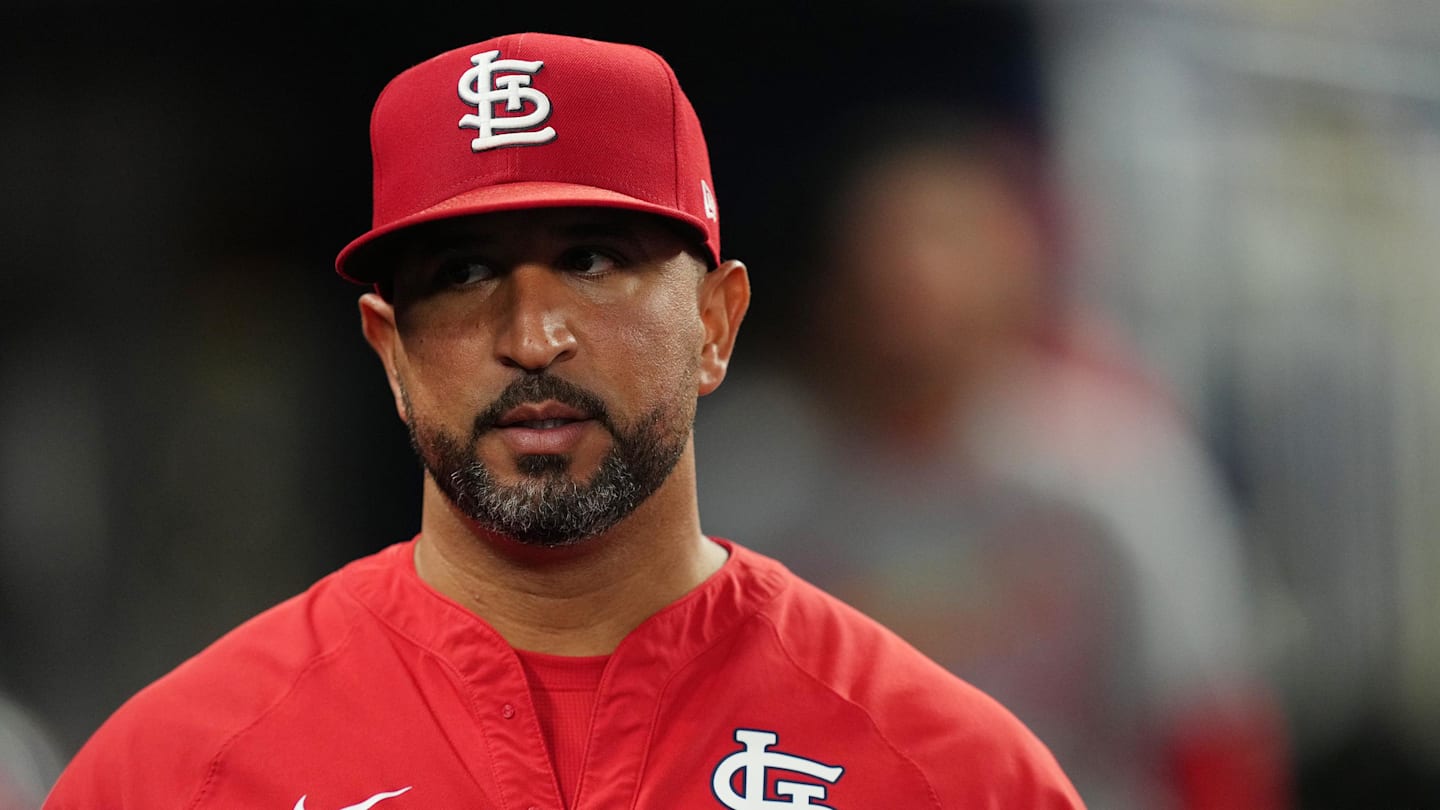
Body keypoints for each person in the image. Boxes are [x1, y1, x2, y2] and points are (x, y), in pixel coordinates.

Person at [42, 32, 1084, 809]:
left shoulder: (954, 773)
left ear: (718, 324)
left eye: (592, 260)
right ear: (389, 353)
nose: (532, 335)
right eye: (462, 274)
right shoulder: (178, 773)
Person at [695, 107, 1294, 808]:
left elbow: (1211, 729)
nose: (912, 277)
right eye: (882, 244)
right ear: (825, 281)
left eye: (946, 240)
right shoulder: (738, 473)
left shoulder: (1114, 462)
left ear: (1020, 268)